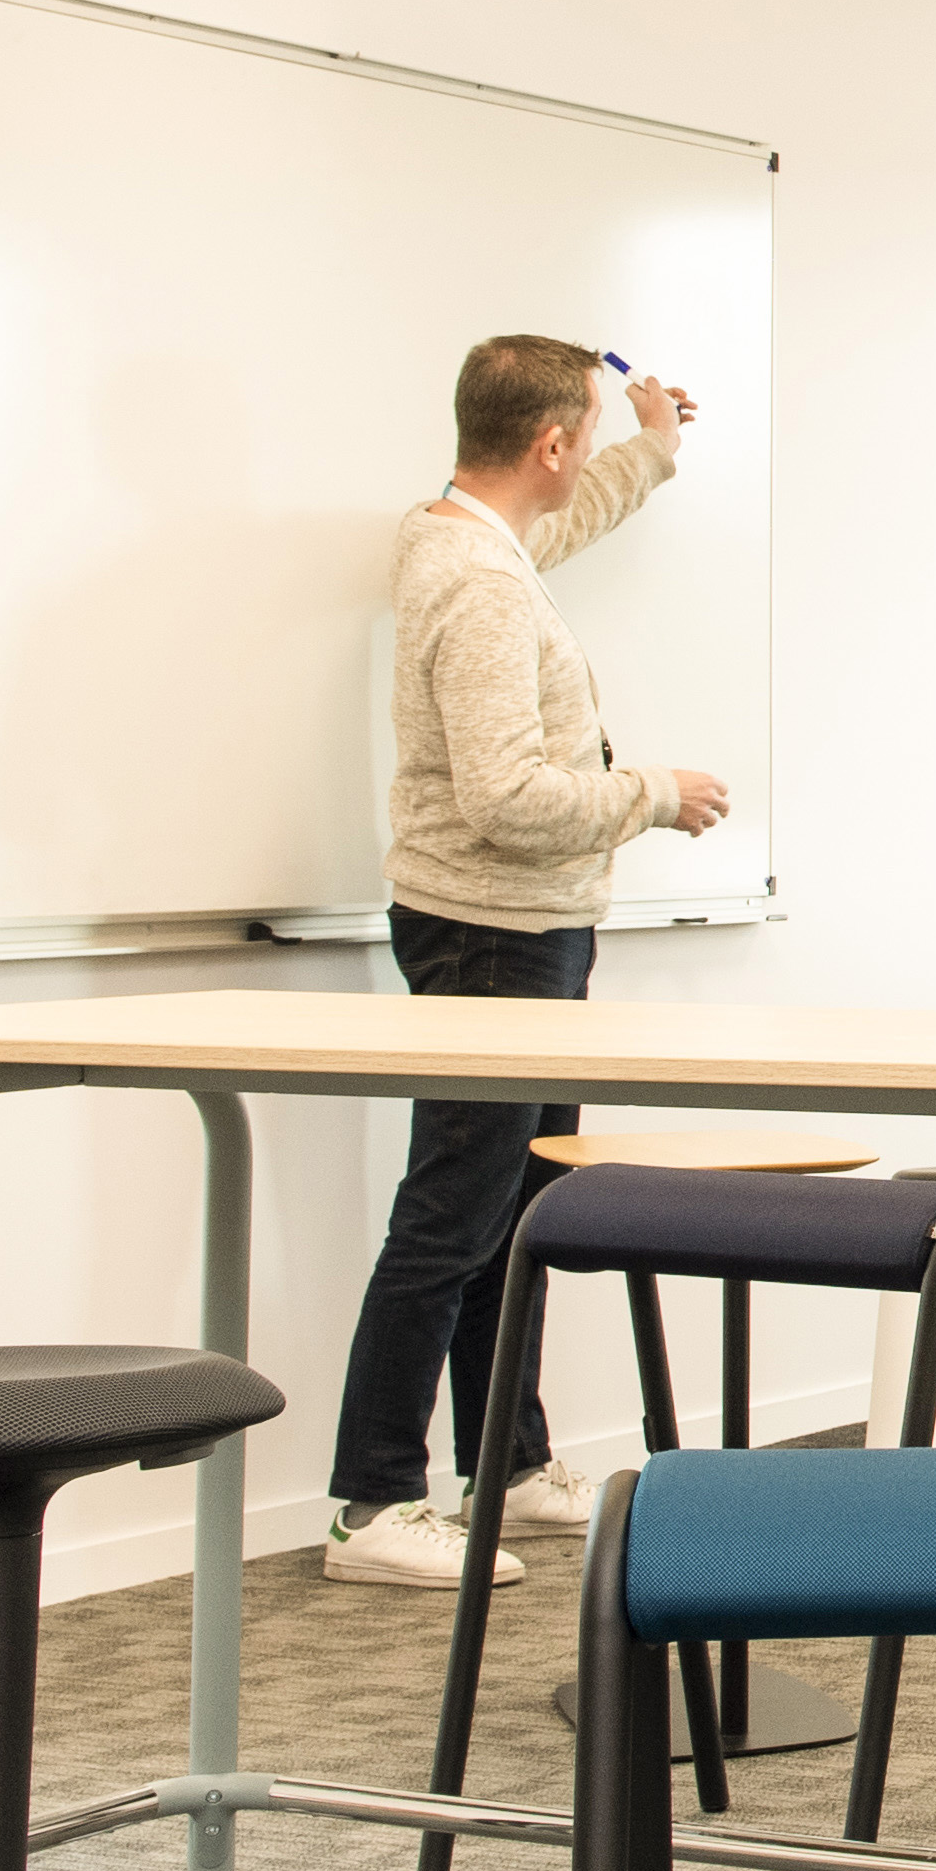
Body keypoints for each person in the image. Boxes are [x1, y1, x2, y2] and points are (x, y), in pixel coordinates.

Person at [322, 335, 733, 1591]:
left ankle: (504, 1462)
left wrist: (651, 451)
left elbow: (564, 519)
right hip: (492, 935)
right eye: (587, 436)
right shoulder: (482, 589)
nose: (585, 458)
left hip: (521, 929)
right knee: (453, 1215)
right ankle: (372, 1501)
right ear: (549, 443)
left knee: (517, 1212)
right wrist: (652, 793)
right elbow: (505, 799)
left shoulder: (465, 541)